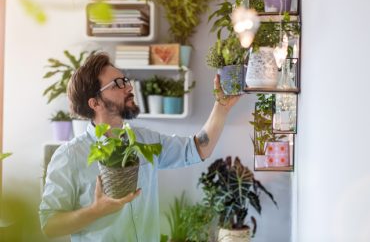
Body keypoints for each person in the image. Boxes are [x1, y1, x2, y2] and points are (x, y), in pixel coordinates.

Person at [39, 51, 240, 241]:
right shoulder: (69, 156)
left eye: (125, 80)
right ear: (95, 103)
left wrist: (221, 108)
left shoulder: (144, 140)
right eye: (117, 84)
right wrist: (95, 211)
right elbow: (49, 225)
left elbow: (198, 148)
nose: (129, 87)